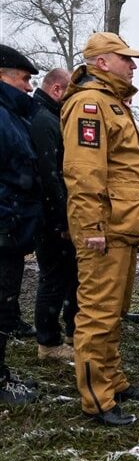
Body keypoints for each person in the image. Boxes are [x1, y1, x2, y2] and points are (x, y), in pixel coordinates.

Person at [62, 32, 139, 426]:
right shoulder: (89, 104)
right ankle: (96, 400)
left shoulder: (114, 105)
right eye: (126, 59)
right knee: (97, 314)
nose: (133, 65)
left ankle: (113, 380)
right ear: (102, 62)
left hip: (123, 227)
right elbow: (84, 173)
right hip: (105, 229)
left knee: (115, 312)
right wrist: (92, 226)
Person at [0, 44, 41, 405]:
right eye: (24, 79)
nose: (29, 87)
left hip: (10, 226)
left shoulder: (13, 115)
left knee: (5, 300)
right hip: (4, 224)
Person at [28, 68, 77, 362]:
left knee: (65, 275)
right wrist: (61, 219)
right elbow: (50, 176)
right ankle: (47, 342)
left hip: (54, 213)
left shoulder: (50, 117)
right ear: (58, 90)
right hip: (50, 218)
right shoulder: (45, 121)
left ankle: (65, 332)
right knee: (53, 278)